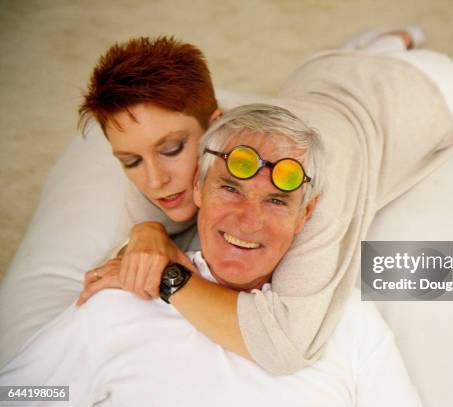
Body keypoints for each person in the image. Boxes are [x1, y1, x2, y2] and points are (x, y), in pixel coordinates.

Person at [3, 30, 453, 372]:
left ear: (216, 126)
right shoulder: (184, 168)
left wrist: (168, 275)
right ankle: (381, 41)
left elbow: (285, 346)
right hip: (324, 74)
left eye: (172, 149)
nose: (159, 182)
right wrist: (149, 235)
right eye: (132, 162)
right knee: (348, 59)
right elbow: (150, 216)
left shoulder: (315, 181)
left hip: (422, 95)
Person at [0, 105, 421, 406]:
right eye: (231, 189)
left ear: (304, 215)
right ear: (198, 188)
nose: (248, 221)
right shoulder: (121, 300)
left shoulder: (343, 319)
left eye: (276, 202)